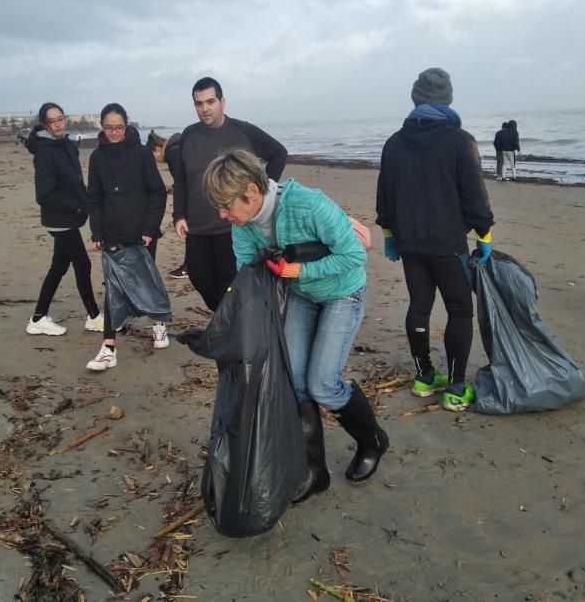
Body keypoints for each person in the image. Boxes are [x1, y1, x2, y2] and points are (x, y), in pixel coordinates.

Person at [203, 149, 389, 497]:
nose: (222, 214)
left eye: (227, 206)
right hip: (302, 296)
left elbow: (354, 256)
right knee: (295, 383)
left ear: (253, 192)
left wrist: (301, 270)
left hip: (342, 294)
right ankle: (314, 472)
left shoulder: (309, 205)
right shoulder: (243, 226)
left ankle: (374, 440)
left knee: (322, 384)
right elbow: (248, 269)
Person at [376, 68, 495, 412]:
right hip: (448, 245)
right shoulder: (460, 141)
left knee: (419, 306)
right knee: (460, 310)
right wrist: (483, 235)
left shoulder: (394, 143)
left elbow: (384, 195)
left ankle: (424, 377)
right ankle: (456, 387)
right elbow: (475, 196)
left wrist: (390, 236)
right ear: (449, 100)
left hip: (411, 245)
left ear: (415, 99)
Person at [172, 77, 287, 311]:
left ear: (222, 102)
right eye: (199, 103)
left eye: (210, 101)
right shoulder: (189, 135)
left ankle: (232, 325)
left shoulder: (242, 131)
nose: (205, 108)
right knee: (198, 277)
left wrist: (262, 192)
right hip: (197, 225)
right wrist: (179, 214)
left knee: (229, 282)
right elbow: (182, 179)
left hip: (233, 225)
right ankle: (228, 320)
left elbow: (279, 153)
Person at [85, 103, 169, 371]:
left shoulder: (142, 154)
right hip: (112, 233)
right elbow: (94, 197)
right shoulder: (97, 158)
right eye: (108, 127)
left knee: (147, 281)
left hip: (142, 233)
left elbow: (157, 192)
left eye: (118, 127)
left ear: (126, 125)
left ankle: (158, 323)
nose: (114, 132)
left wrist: (149, 228)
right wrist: (96, 231)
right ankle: (108, 347)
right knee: (113, 288)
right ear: (102, 127)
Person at [24, 102, 103, 336]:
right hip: (59, 219)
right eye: (52, 121)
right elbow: (44, 195)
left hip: (70, 216)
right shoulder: (45, 152)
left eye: (61, 119)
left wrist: (86, 200)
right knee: (82, 263)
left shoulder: (68, 144)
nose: (58, 124)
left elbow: (75, 181)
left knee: (59, 266)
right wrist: (77, 206)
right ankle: (94, 316)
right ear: (44, 124)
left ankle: (38, 318)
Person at [148, 131, 189, 279]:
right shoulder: (179, 147)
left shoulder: (172, 153)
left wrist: (179, 212)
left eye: (153, 158)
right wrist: (172, 187)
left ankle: (188, 267)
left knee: (191, 230)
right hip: (199, 192)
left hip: (194, 197)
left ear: (157, 150)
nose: (156, 162)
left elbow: (183, 181)